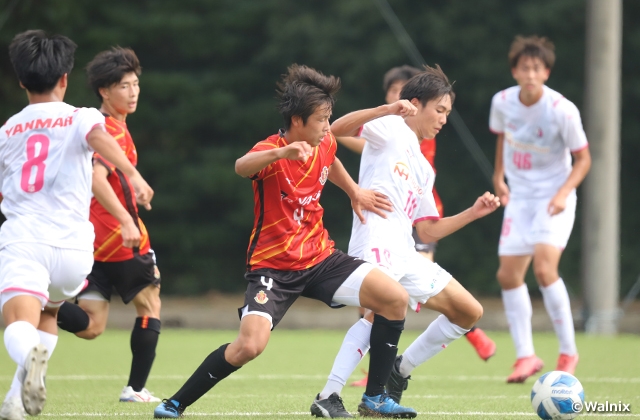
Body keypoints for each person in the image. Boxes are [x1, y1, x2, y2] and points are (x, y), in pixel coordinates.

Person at [153, 64, 417, 419]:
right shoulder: (273, 149)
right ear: (297, 120)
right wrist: (281, 154)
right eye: (322, 119)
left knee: (395, 299)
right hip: (273, 268)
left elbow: (332, 157)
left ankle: (374, 399)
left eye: (328, 118)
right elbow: (241, 166)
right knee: (249, 346)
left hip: (320, 258)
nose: (327, 126)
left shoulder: (321, 142)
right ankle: (175, 403)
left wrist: (355, 191)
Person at [312, 66, 501, 416]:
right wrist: (387, 108)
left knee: (468, 312)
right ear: (415, 104)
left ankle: (399, 370)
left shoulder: (424, 166)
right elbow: (334, 132)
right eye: (439, 110)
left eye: (448, 113)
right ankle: (328, 395)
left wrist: (473, 212)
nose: (444, 119)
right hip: (375, 241)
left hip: (406, 250)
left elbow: (427, 231)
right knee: (375, 315)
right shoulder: (390, 127)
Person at [0, 30, 153, 420]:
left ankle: (27, 357)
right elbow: (99, 138)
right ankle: (14, 403)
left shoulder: (6, 132)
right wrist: (133, 176)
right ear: (64, 79)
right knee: (49, 313)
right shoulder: (81, 115)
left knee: (20, 321)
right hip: (73, 252)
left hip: (26, 240)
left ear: (21, 80)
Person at [55, 47, 162, 403]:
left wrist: (132, 194)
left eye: (135, 84)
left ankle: (40, 303)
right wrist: (125, 219)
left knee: (91, 326)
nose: (132, 92)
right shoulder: (108, 130)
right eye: (123, 86)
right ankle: (134, 389)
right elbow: (96, 178)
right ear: (104, 91)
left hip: (91, 240)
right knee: (150, 305)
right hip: (118, 239)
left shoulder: (102, 127)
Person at [489, 36, 591, 383]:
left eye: (537, 68)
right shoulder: (501, 102)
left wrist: (564, 192)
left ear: (546, 72)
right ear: (515, 70)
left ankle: (568, 352)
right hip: (520, 198)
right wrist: (499, 176)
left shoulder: (562, 110)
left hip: (553, 197)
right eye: (524, 67)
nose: (530, 74)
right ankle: (526, 355)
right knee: (508, 275)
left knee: (546, 270)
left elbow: (583, 159)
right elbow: (502, 137)